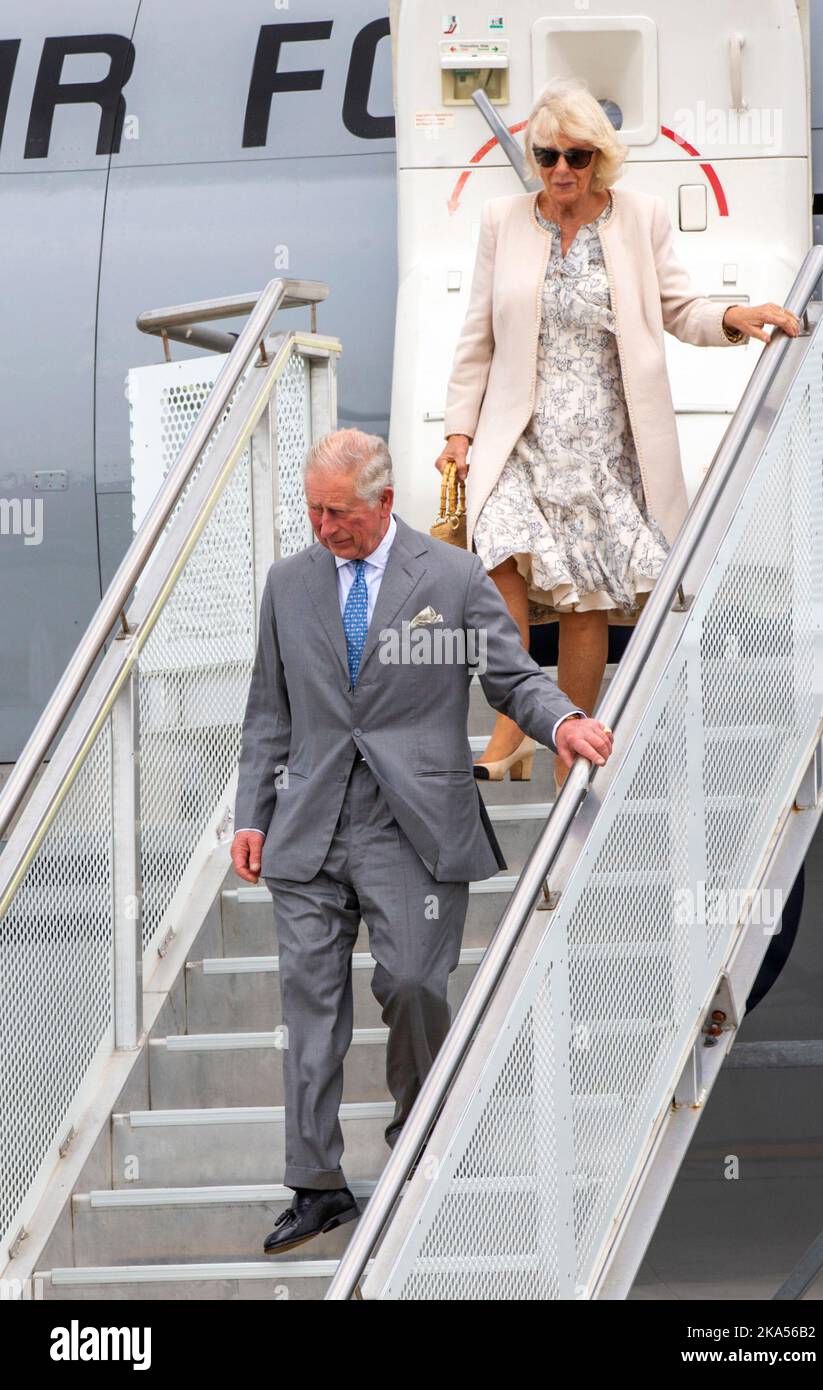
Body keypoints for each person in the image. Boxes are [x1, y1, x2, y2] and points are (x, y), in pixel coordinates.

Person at [230, 427, 613, 1253]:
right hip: (310, 827)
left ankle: (418, 1139)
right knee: (310, 1011)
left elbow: (511, 677)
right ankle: (316, 1182)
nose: (325, 528)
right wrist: (251, 816)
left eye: (339, 513)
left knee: (412, 983)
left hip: (412, 826)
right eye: (314, 511)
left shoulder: (451, 576)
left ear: (385, 502)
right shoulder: (288, 584)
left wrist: (567, 723)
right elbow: (269, 710)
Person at [435, 77, 801, 791]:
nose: (562, 170)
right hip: (521, 434)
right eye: (547, 156)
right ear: (533, 158)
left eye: (577, 156)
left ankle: (570, 736)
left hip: (607, 439)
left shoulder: (638, 218)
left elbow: (679, 307)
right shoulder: (501, 221)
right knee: (500, 557)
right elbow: (474, 338)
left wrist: (733, 317)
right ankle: (512, 722)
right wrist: (458, 432)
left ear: (599, 159)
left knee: (587, 598)